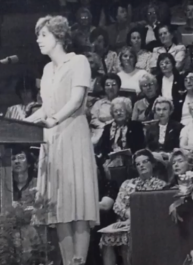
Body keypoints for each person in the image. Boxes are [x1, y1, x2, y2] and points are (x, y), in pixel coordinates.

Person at [25, 15, 99, 265]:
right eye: (38, 35)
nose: (38, 40)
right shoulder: (47, 70)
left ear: (59, 37)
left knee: (77, 203)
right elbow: (45, 107)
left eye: (43, 35)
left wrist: (54, 119)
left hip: (72, 135)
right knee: (60, 209)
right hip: (52, 139)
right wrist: (24, 123)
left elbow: (76, 100)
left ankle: (80, 260)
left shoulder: (78, 62)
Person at [99, 149, 166, 265]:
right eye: (138, 164)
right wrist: (128, 217)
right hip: (125, 222)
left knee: (130, 235)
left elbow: (155, 209)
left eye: (145, 162)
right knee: (106, 237)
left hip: (148, 224)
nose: (141, 166)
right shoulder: (127, 183)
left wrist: (132, 220)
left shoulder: (161, 186)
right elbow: (118, 205)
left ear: (152, 163)